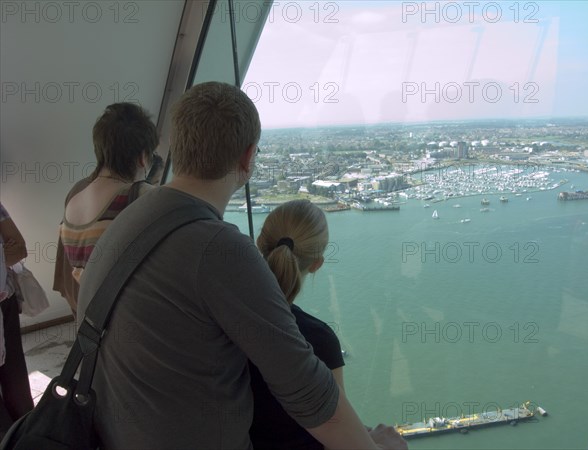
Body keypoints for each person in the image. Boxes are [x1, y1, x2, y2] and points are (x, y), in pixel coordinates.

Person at [77, 82, 407, 449]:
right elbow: (310, 393)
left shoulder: (129, 218)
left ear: (177, 147)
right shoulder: (220, 248)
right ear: (248, 157)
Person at [250, 199, 358, 449]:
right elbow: (338, 424)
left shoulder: (224, 319)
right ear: (317, 263)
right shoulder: (319, 339)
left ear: (260, 246)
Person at [52, 102, 163, 316]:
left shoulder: (76, 192)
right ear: (142, 157)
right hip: (121, 319)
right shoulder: (141, 196)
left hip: (86, 310)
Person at [0, 203, 34, 439]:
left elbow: (20, 249)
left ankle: (28, 435)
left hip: (4, 304)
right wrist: (2, 253)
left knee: (15, 381)